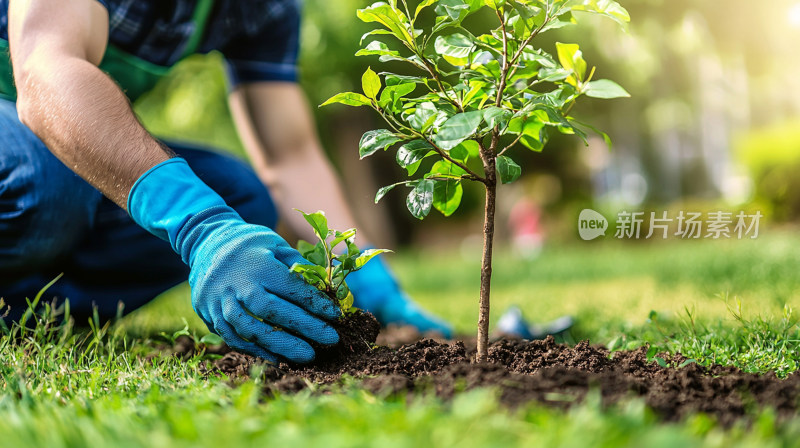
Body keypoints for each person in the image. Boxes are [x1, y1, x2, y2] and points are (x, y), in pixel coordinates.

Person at [0, 0, 451, 363]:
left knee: (242, 196)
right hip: (28, 124)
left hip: (49, 149)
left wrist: (370, 281)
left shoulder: (263, 8)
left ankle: (19, 311)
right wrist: (202, 226)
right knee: (48, 183)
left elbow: (289, 155)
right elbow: (45, 74)